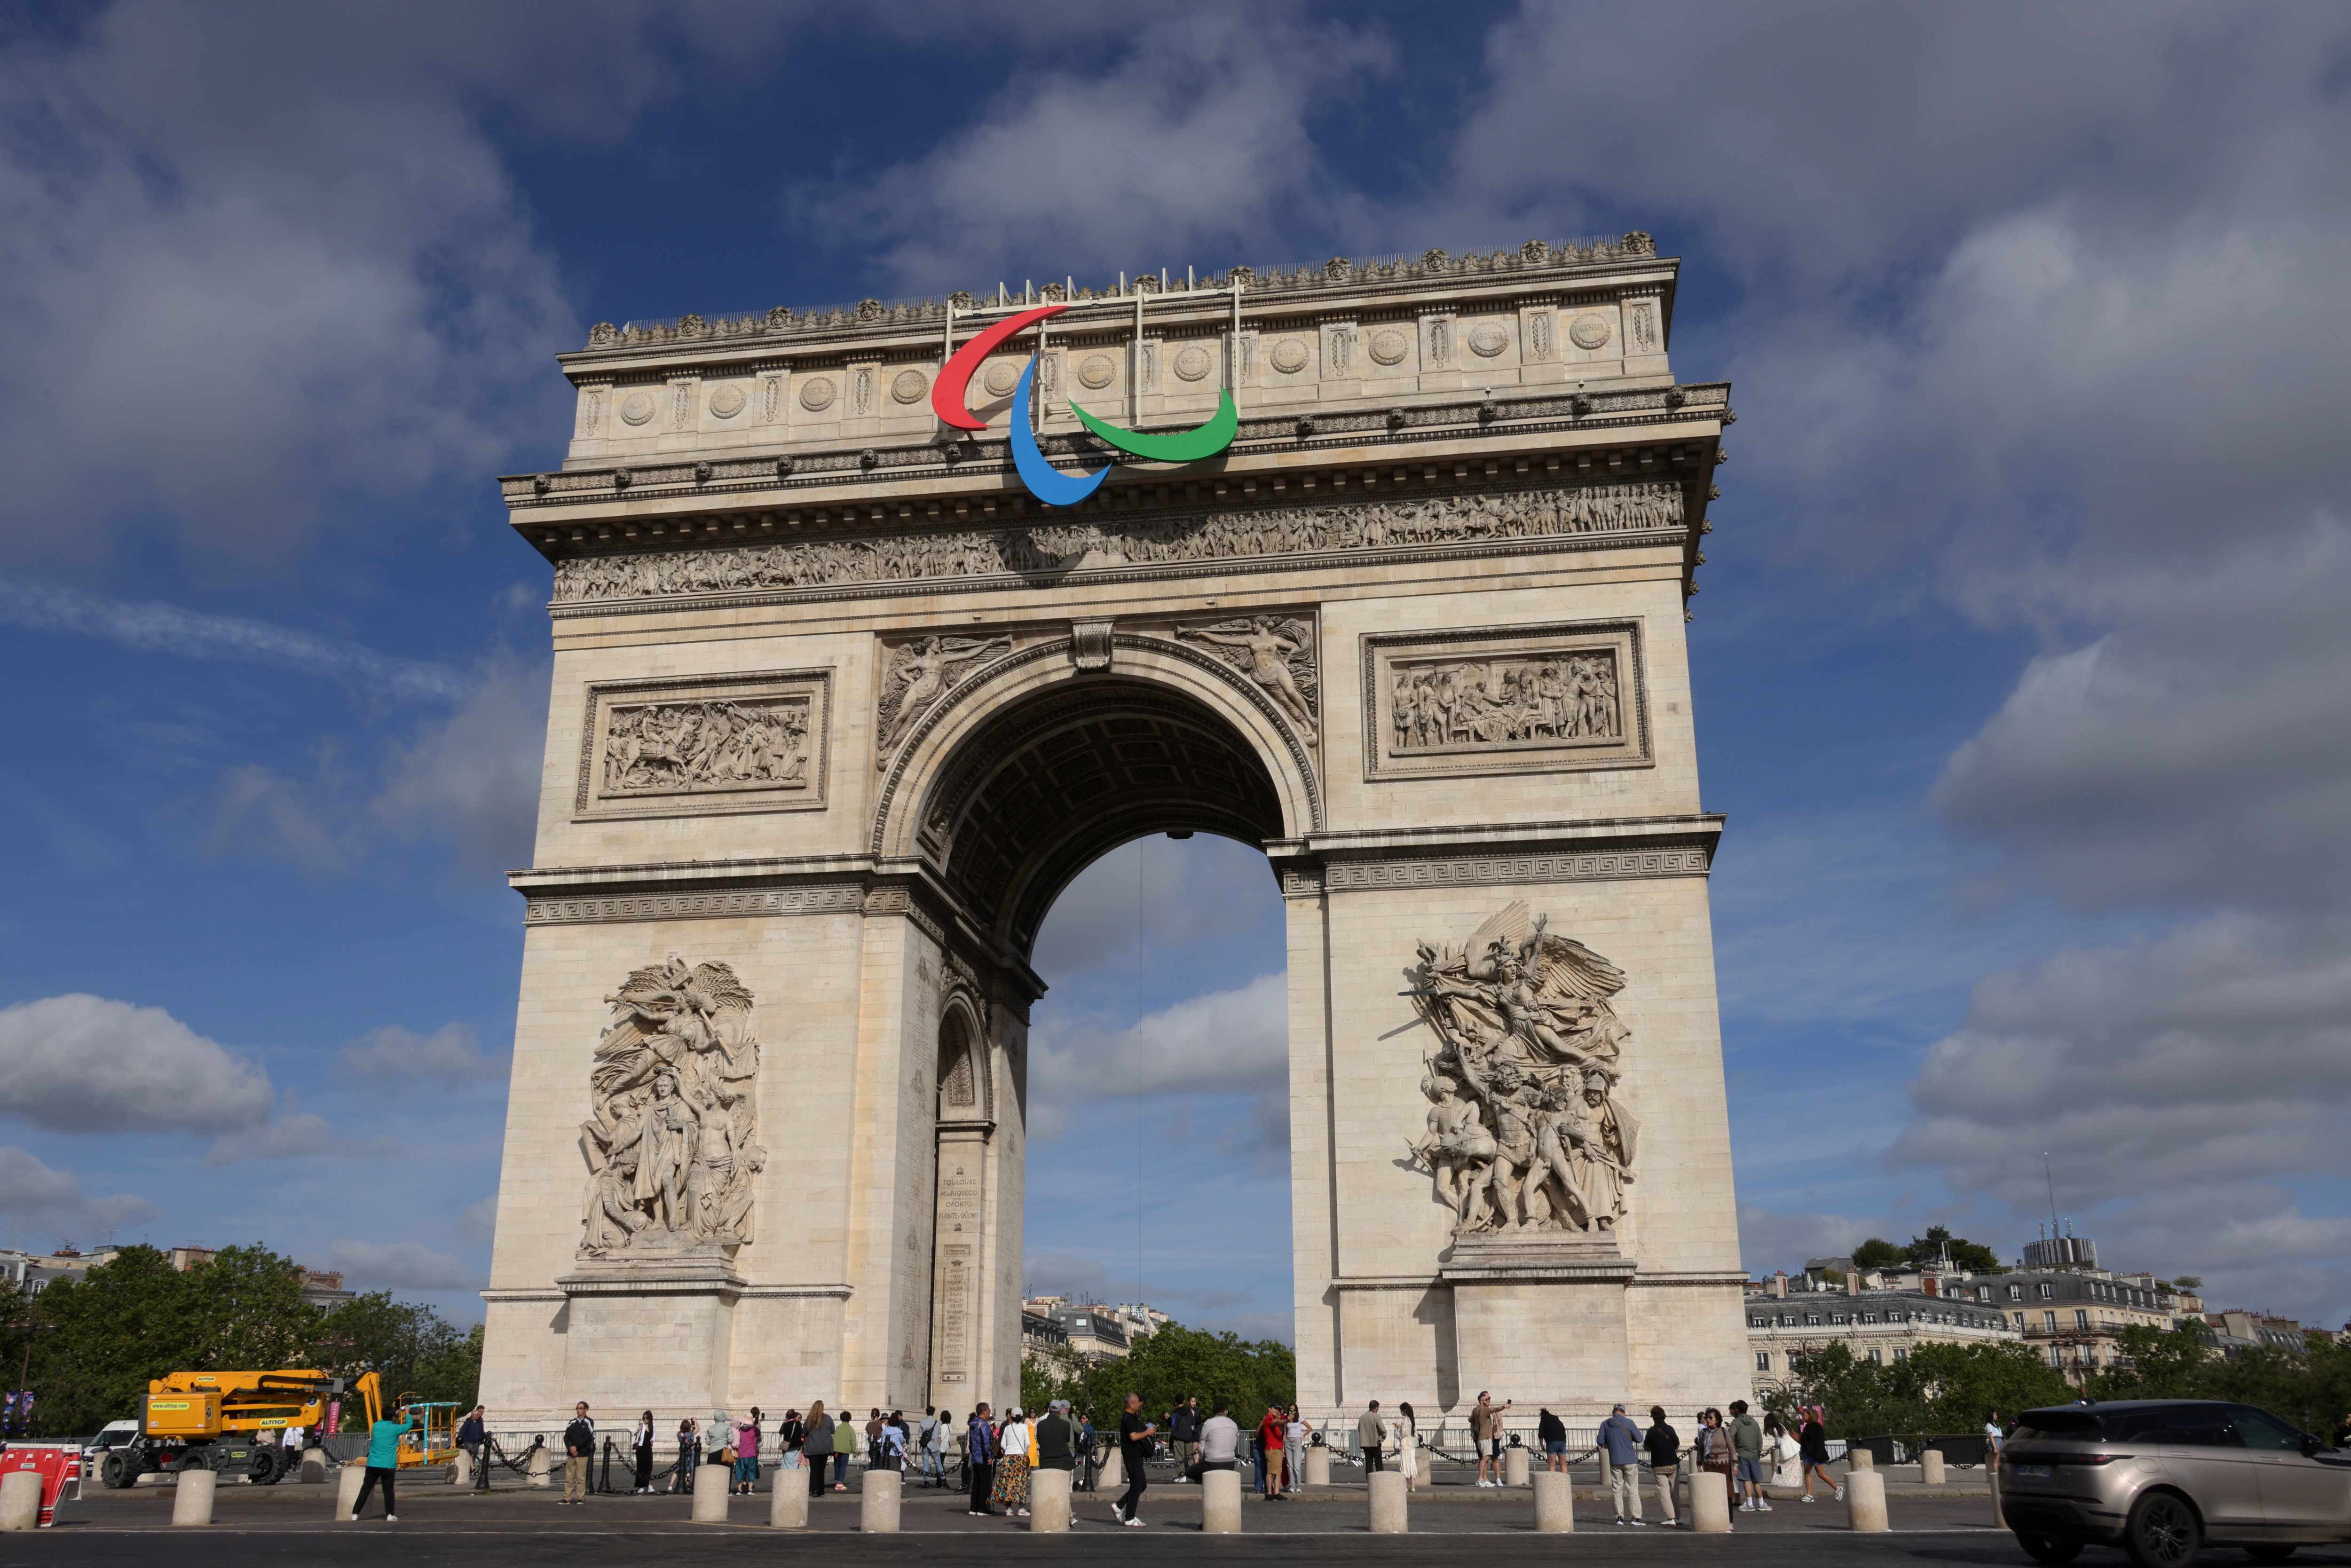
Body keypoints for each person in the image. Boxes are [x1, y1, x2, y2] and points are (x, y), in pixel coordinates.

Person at [350, 1399, 420, 1522]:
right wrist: (407, 1414)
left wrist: (393, 1413)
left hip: (372, 1464)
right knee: (388, 1491)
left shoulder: (375, 1426)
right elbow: (408, 1426)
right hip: (388, 1464)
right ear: (394, 1417)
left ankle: (355, 1514)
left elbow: (386, 1421)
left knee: (365, 1489)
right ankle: (390, 1514)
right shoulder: (395, 1429)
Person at [1114, 1391, 1156, 1526]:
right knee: (1137, 1485)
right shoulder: (1129, 1418)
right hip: (1131, 1455)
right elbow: (1133, 1437)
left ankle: (1119, 1505)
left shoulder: (1131, 1417)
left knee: (1141, 1485)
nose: (1139, 1405)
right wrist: (1147, 1433)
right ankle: (1130, 1517)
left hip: (1135, 1455)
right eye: (1137, 1402)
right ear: (1131, 1404)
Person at [1600, 1402, 1644, 1524]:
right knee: (1633, 1489)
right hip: (1630, 1459)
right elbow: (1639, 1439)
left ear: (1613, 1413)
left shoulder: (1605, 1424)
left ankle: (1619, 1517)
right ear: (1623, 1413)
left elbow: (1600, 1441)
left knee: (1617, 1490)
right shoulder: (1629, 1422)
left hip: (1615, 1460)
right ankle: (1636, 1517)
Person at [1696, 1409, 1736, 1527]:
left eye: (1711, 1418)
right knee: (1712, 1493)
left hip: (1724, 1465)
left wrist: (1735, 1464)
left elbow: (1731, 1448)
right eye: (1707, 1418)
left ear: (1717, 1420)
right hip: (1709, 1465)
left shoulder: (1724, 1431)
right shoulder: (1704, 1432)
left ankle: (1730, 1521)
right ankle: (1714, 1519)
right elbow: (1700, 1449)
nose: (1708, 1420)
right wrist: (1699, 1465)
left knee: (1727, 1494)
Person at [1643, 1406, 1680, 1527]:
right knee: (1675, 1491)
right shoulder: (1670, 1429)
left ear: (1653, 1417)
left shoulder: (1651, 1431)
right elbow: (1677, 1443)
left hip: (1659, 1464)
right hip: (1673, 1463)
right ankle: (1678, 1517)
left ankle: (1671, 1518)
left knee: (1664, 1493)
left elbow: (1647, 1448)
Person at [1728, 1399, 1768, 1512]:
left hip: (1742, 1454)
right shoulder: (1754, 1421)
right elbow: (1759, 1438)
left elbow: (1730, 1436)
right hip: (1754, 1453)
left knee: (1746, 1480)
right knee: (1756, 1480)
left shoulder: (1736, 1422)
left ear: (1737, 1410)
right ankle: (1762, 1503)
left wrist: (1734, 1450)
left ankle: (1750, 1503)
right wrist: (1758, 1451)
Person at [1472, 1391, 1514, 1487]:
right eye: (1487, 1399)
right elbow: (1495, 1409)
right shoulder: (1484, 1410)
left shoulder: (1476, 1410)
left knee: (1488, 1458)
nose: (1489, 1400)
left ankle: (1485, 1480)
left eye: (1489, 1398)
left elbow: (1470, 1420)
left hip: (1488, 1437)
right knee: (1485, 1458)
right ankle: (1480, 1479)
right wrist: (1504, 1406)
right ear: (1481, 1401)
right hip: (1486, 1437)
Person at [1800, 1406, 1840, 1502]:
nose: (1803, 1418)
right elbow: (1804, 1441)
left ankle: (1837, 1489)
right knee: (1807, 1473)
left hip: (1816, 1454)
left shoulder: (1817, 1427)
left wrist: (1818, 1455)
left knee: (1821, 1474)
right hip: (1808, 1453)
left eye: (1804, 1415)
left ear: (1810, 1415)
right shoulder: (1807, 1427)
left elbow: (1819, 1442)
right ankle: (1809, 1495)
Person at [560, 1401, 595, 1506]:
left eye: (581, 1408)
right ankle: (567, 1498)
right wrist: (571, 1447)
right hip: (571, 1454)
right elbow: (567, 1437)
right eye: (577, 1408)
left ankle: (580, 1497)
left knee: (581, 1478)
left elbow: (588, 1437)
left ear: (586, 1410)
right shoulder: (572, 1422)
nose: (578, 1410)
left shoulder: (589, 1422)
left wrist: (577, 1447)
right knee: (569, 1478)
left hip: (582, 1454)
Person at [966, 1403, 997, 1516]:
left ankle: (973, 1508)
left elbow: (970, 1442)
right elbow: (985, 1442)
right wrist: (989, 1457)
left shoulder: (973, 1424)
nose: (989, 1412)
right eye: (988, 1411)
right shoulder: (983, 1425)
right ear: (984, 1412)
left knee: (976, 1484)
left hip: (975, 1457)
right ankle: (982, 1509)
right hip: (984, 1458)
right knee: (985, 1484)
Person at [1199, 1400, 1241, 1481]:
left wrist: (1201, 1458)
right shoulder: (1233, 1424)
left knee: (1190, 1472)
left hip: (1211, 1463)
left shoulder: (1208, 1423)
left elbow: (1201, 1447)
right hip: (1230, 1463)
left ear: (1213, 1413)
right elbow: (1234, 1444)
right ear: (1225, 1412)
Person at [1037, 1400, 1076, 1486]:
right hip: (1063, 1462)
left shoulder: (1040, 1425)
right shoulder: (1065, 1424)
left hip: (1045, 1462)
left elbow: (1040, 1441)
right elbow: (1067, 1441)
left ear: (1049, 1410)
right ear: (1060, 1412)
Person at [800, 1403, 830, 1498]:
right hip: (824, 1448)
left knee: (814, 1470)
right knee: (822, 1470)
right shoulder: (828, 1418)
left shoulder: (810, 1419)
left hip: (812, 1448)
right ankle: (821, 1491)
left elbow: (804, 1432)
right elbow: (833, 1431)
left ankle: (814, 1490)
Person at [1256, 1404, 1287, 1499]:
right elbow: (1274, 1423)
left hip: (1277, 1448)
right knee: (1271, 1472)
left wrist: (1282, 1449)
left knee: (1278, 1472)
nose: (1276, 1411)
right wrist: (1286, 1420)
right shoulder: (1268, 1418)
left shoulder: (1274, 1419)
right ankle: (1269, 1493)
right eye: (1275, 1409)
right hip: (1272, 1449)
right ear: (1269, 1409)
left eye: (1278, 1410)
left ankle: (1276, 1492)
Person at [458, 1405, 488, 1493]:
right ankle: (473, 1469)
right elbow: (462, 1432)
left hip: (477, 1442)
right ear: (473, 1415)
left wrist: (484, 1438)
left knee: (474, 1456)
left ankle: (471, 1469)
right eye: (478, 1414)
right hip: (469, 1442)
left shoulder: (479, 1422)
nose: (480, 1415)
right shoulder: (468, 1422)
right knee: (471, 1455)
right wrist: (461, 1440)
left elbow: (481, 1431)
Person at [1767, 1414, 1800, 1490]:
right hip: (1794, 1447)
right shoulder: (1781, 1426)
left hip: (1786, 1450)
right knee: (1793, 1468)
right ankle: (1793, 1481)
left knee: (1781, 1466)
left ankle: (1780, 1481)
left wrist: (1774, 1446)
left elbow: (1778, 1441)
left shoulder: (1774, 1430)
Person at [1169, 1395, 1199, 1480]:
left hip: (1179, 1438)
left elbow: (1174, 1425)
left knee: (1179, 1457)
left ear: (1176, 1402)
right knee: (1189, 1458)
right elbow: (1193, 1422)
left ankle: (1182, 1476)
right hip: (1189, 1437)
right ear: (1184, 1401)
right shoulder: (1189, 1411)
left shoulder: (1176, 1413)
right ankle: (1191, 1475)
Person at [734, 1407, 761, 1495]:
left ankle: (739, 1490)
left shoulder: (740, 1430)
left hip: (741, 1453)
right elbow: (759, 1437)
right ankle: (750, 1490)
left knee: (740, 1471)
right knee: (751, 1470)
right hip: (751, 1453)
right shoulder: (754, 1429)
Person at [672, 1416, 700, 1495]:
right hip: (691, 1453)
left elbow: (683, 1432)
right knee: (689, 1469)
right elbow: (698, 1428)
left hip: (683, 1453)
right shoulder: (691, 1434)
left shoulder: (679, 1434)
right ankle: (687, 1482)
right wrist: (695, 1421)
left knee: (677, 1469)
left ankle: (671, 1485)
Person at [832, 1404, 857, 1490]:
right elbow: (853, 1441)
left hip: (836, 1449)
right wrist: (854, 1451)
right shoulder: (851, 1429)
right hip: (845, 1450)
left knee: (837, 1465)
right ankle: (840, 1483)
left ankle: (837, 1480)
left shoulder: (838, 1428)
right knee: (843, 1466)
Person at [1397, 1401, 1420, 1492]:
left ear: (1405, 1410)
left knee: (1405, 1465)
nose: (1401, 1413)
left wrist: (1399, 1427)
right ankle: (1413, 1486)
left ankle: (1406, 1486)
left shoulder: (1406, 1420)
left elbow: (1403, 1433)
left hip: (1406, 1445)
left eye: (1401, 1411)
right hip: (1411, 1446)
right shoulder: (1412, 1420)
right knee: (1411, 1465)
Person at [1358, 1401, 1388, 1473]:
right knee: (1379, 1464)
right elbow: (1382, 1429)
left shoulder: (1362, 1417)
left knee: (1369, 1464)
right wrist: (1384, 1436)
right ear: (1376, 1408)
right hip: (1375, 1443)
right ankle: (1379, 1480)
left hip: (1365, 1444)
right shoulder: (1376, 1417)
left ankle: (1369, 1480)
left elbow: (1360, 1429)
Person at [1286, 1408, 1310, 1492]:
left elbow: (1310, 1428)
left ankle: (1298, 1486)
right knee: (1290, 1466)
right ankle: (1292, 1486)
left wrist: (1303, 1437)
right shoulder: (1287, 1419)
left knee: (1297, 1467)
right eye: (1291, 1410)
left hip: (1297, 1441)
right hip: (1288, 1441)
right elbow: (1285, 1431)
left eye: (1294, 1410)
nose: (1292, 1411)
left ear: (1297, 1411)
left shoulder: (1300, 1418)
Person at [1538, 1407, 1568, 1473]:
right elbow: (1564, 1430)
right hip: (1562, 1442)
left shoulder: (1543, 1420)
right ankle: (1566, 1481)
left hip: (1552, 1443)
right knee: (1563, 1465)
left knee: (1552, 1465)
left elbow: (1541, 1434)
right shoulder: (1558, 1420)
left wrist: (1542, 1445)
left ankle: (1553, 1482)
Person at [632, 1410, 655, 1494]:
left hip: (648, 1448)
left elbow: (654, 1436)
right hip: (641, 1449)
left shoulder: (653, 1426)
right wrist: (638, 1430)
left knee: (649, 1467)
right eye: (644, 1418)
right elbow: (634, 1434)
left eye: (647, 1418)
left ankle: (649, 1485)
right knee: (641, 1468)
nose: (645, 1420)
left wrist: (653, 1440)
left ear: (650, 1418)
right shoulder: (641, 1426)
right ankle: (642, 1486)